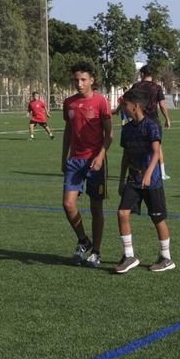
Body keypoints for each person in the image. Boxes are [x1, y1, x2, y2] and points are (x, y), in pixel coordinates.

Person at [114, 87, 173, 274]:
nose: (123, 108)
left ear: (136, 106)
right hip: (133, 179)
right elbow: (126, 156)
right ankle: (129, 256)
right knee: (122, 213)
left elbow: (156, 153)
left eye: (125, 104)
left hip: (152, 181)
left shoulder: (151, 126)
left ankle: (166, 258)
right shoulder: (127, 129)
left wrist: (148, 174)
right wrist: (121, 180)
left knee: (158, 219)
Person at [62, 63, 113, 267]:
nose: (79, 84)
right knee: (68, 204)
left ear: (92, 80)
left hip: (94, 161)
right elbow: (68, 131)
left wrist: (100, 157)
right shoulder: (69, 103)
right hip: (74, 161)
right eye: (76, 80)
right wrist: (64, 157)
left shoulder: (101, 102)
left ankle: (96, 252)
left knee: (95, 207)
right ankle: (83, 240)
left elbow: (109, 134)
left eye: (83, 80)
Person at [127, 64, 171, 179]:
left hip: (139, 121)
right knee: (157, 147)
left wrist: (118, 111)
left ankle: (138, 171)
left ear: (142, 74)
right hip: (153, 122)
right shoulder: (157, 87)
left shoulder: (136, 86)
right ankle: (162, 173)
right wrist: (167, 118)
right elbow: (162, 104)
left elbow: (127, 100)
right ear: (152, 74)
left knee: (137, 147)